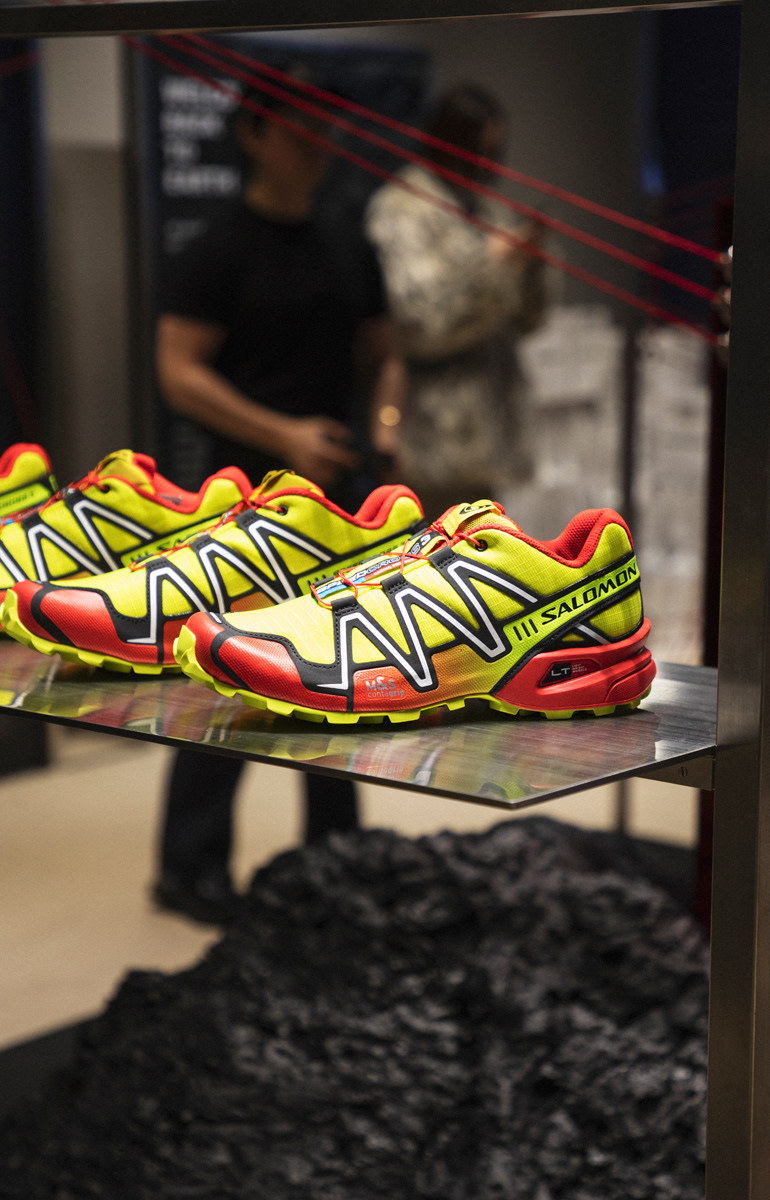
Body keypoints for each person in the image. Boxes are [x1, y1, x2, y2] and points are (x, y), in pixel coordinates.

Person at [152, 67, 406, 925]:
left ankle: (336, 855)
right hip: (243, 499)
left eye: (326, 127)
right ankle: (189, 866)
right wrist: (283, 434)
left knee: (339, 673)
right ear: (254, 134)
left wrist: (384, 425)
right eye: (300, 126)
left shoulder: (347, 244)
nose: (317, 143)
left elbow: (383, 353)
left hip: (339, 494)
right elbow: (179, 372)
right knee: (225, 677)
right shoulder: (217, 249)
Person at [365, 85, 551, 520]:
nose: (487, 167)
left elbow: (528, 319)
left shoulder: (488, 208)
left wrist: (531, 267)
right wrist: (494, 263)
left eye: (494, 153)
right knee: (421, 551)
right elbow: (418, 324)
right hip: (425, 436)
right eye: (477, 152)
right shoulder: (402, 208)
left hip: (486, 436)